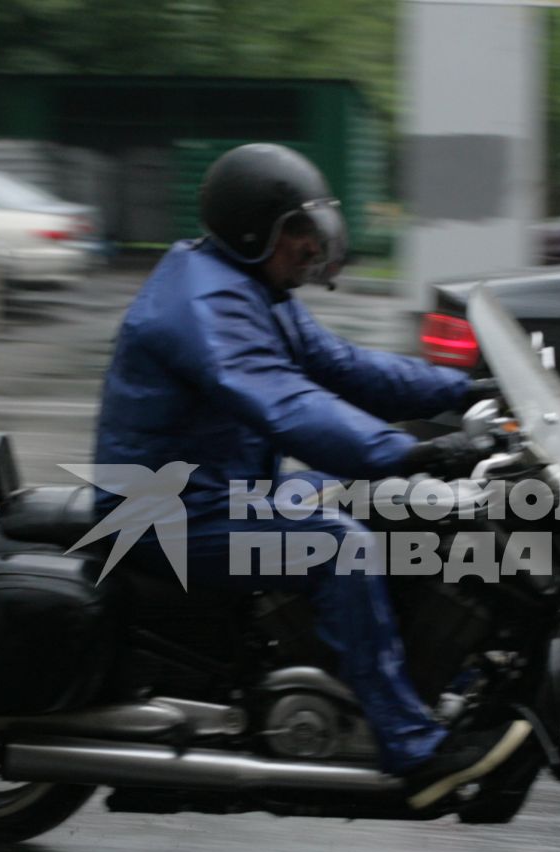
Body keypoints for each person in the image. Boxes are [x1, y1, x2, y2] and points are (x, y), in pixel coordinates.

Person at [92, 143, 528, 810]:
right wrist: (404, 452)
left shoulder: (251, 288)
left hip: (224, 490)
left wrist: (465, 391)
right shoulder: (206, 304)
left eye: (309, 229)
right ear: (252, 229)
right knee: (339, 543)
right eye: (297, 230)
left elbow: (346, 368)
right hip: (168, 514)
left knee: (392, 506)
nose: (309, 245)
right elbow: (285, 404)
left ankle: (433, 679)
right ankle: (413, 747)